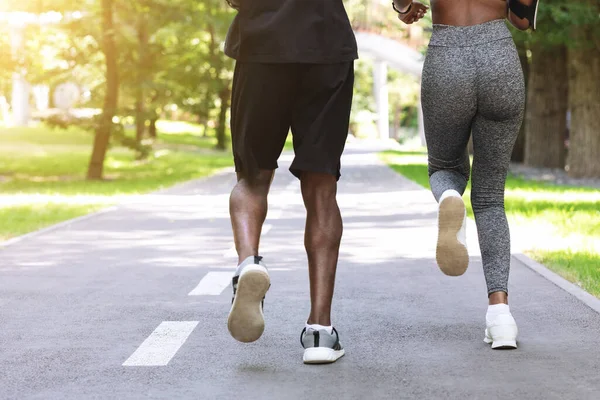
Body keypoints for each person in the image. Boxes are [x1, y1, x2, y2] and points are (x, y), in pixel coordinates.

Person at [223, 0, 363, 364]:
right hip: (327, 46)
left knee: (252, 177)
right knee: (322, 187)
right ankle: (320, 331)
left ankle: (248, 264)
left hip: (262, 45)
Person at [394, 0, 539, 349]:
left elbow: (403, 2)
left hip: (447, 55)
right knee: (490, 198)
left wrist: (404, 8)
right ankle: (501, 317)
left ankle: (448, 197)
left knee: (444, 167)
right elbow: (522, 20)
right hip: (500, 58)